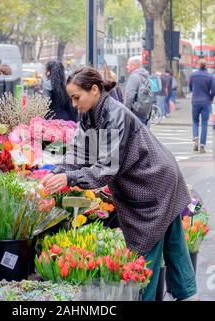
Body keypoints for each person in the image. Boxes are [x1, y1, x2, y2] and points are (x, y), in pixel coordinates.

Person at [41, 66, 198, 301]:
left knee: (144, 252)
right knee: (172, 238)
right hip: (158, 179)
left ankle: (146, 297)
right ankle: (188, 294)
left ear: (94, 90)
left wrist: (69, 178)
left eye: (76, 97)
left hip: (152, 184)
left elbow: (106, 169)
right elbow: (79, 152)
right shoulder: (92, 114)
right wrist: (58, 171)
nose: (74, 104)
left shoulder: (114, 115)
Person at [189, 59, 215, 153]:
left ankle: (195, 137)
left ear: (198, 65)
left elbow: (190, 87)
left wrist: (194, 93)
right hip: (206, 101)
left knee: (195, 121)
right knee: (204, 123)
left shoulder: (193, 75)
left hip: (195, 100)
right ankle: (202, 146)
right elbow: (213, 90)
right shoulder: (210, 76)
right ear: (206, 66)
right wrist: (210, 98)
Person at [124, 56, 153, 125]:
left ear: (133, 66)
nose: (126, 67)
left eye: (128, 64)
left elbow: (129, 97)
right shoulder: (146, 76)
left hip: (135, 114)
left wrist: (125, 112)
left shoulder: (134, 77)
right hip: (145, 112)